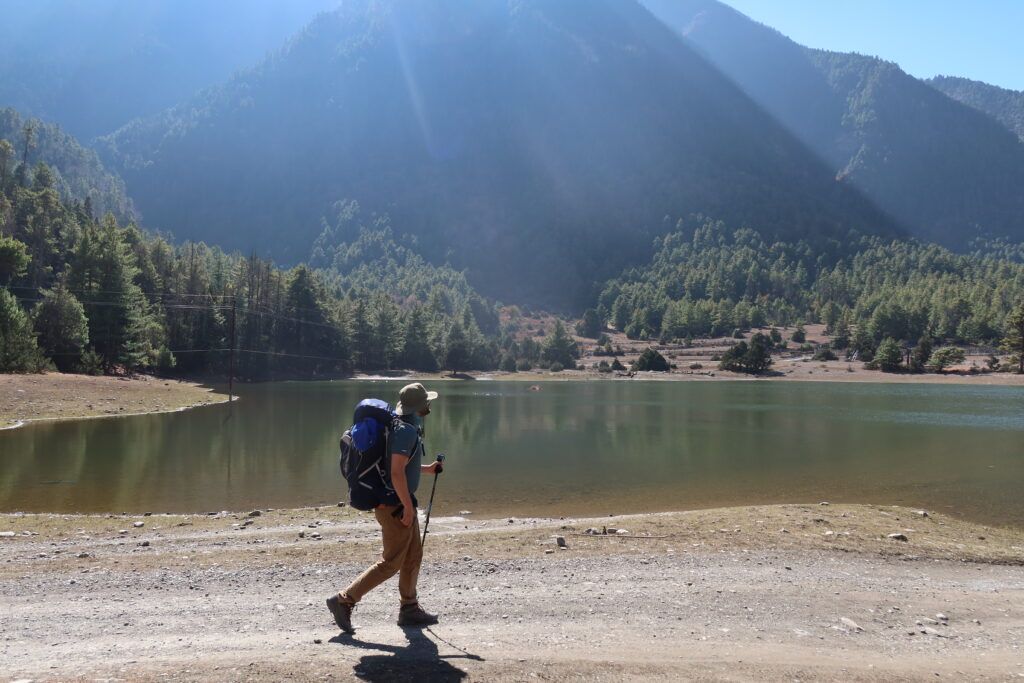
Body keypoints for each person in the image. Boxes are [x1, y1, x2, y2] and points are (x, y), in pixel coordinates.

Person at [327, 382, 445, 633]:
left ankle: (409, 608)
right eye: (427, 402)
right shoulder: (405, 431)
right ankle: (344, 599)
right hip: (394, 505)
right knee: (391, 562)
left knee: (413, 555)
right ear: (420, 406)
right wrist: (407, 507)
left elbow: (398, 466)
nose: (429, 405)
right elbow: (395, 473)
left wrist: (426, 469)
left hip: (398, 501)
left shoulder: (402, 426)